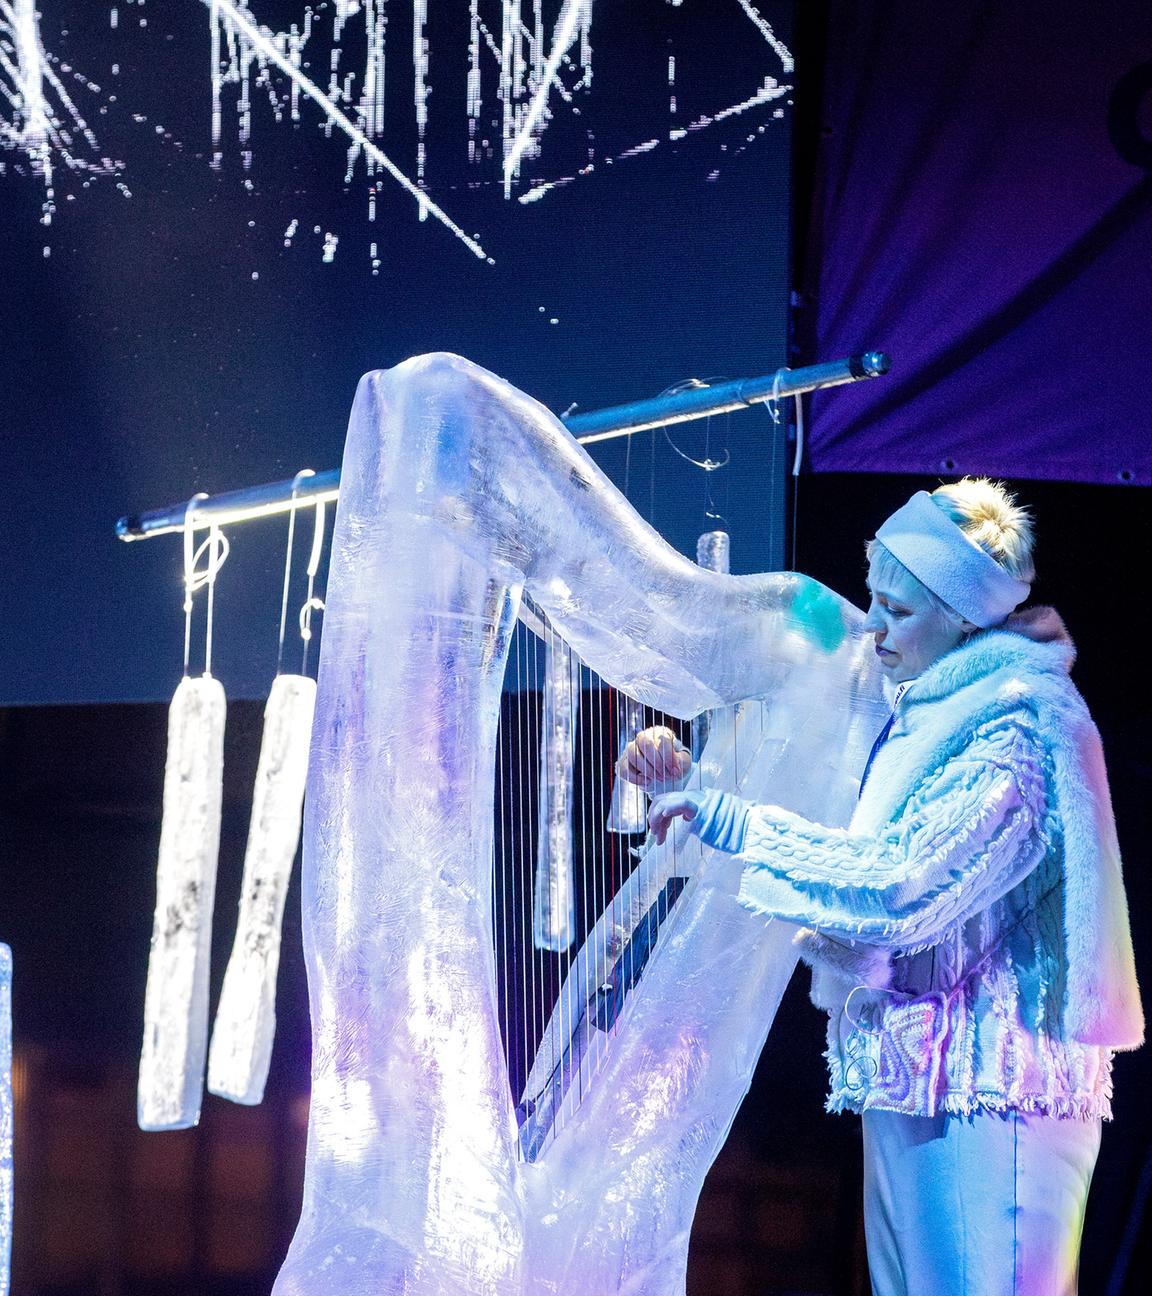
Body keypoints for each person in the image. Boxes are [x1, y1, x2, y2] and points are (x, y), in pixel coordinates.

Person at [620, 479, 1142, 1296]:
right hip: (918, 1072)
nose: (874, 626)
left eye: (898, 610)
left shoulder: (1015, 725)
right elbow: (826, 825)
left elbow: (902, 884)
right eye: (874, 599)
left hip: (993, 1092)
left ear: (964, 616)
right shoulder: (926, 711)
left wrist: (731, 820)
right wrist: (692, 778)